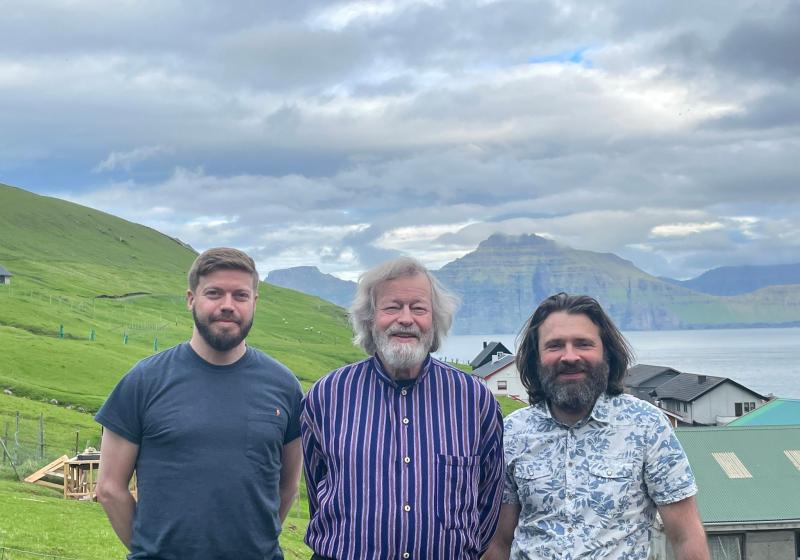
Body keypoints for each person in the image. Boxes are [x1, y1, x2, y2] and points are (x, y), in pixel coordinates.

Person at [95, 247, 303, 560]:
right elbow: (110, 488)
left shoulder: (285, 386)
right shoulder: (143, 381)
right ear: (191, 299)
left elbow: (288, 488)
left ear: (255, 303)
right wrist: (150, 550)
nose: (228, 306)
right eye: (214, 293)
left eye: (240, 296)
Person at [301, 256, 504, 560]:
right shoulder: (328, 395)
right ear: (370, 319)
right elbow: (317, 484)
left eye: (418, 308)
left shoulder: (474, 400)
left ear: (434, 320)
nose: (406, 319)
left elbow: (489, 499)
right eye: (392, 307)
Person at [484, 293, 709, 560]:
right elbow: (499, 542)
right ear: (536, 358)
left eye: (583, 344)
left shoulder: (647, 426)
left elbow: (686, 537)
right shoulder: (511, 433)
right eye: (555, 345)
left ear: (607, 353)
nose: (569, 356)